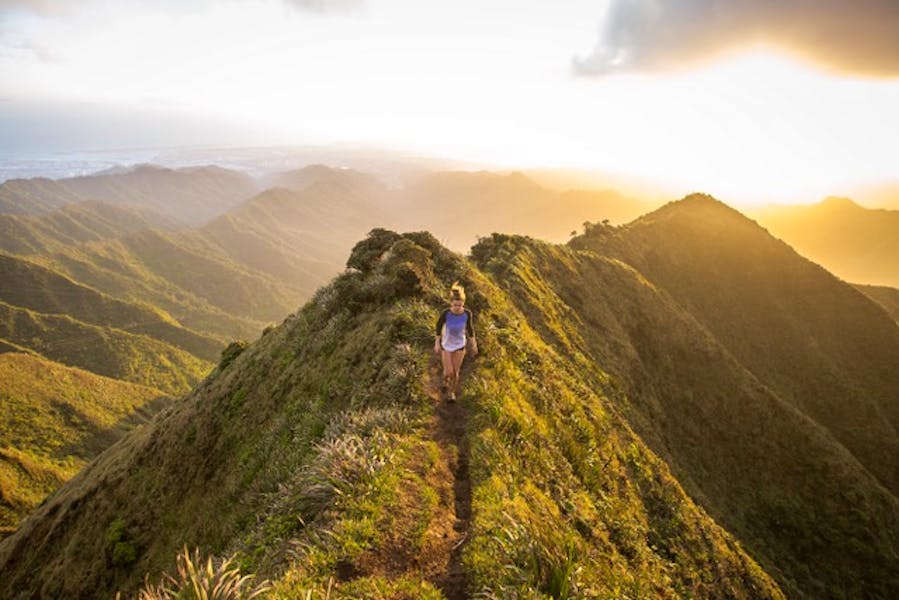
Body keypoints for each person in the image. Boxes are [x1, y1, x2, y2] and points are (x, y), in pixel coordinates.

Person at [434, 282, 477, 402]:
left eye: (460, 305)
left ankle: (451, 393)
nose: (457, 308)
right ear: (451, 304)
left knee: (455, 372)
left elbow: (470, 329)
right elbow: (438, 328)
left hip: (460, 345)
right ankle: (444, 379)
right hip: (446, 345)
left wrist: (473, 344)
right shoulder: (446, 314)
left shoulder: (467, 314)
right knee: (448, 371)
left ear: (463, 304)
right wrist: (437, 343)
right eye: (455, 305)